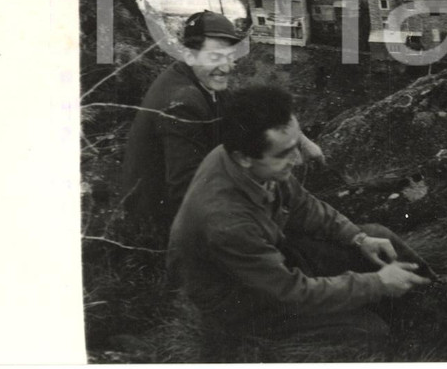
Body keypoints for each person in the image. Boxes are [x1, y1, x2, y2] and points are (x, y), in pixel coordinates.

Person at [167, 84, 432, 359]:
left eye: (297, 145)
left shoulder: (246, 155)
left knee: (377, 236)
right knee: (370, 332)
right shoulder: (226, 222)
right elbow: (291, 292)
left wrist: (358, 238)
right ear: (244, 158)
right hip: (241, 301)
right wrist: (375, 284)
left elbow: (302, 206)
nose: (297, 159)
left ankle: (438, 296)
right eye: (284, 153)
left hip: (269, 260)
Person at [121, 11, 323, 242]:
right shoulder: (182, 102)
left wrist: (301, 141)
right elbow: (184, 188)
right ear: (189, 55)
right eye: (216, 57)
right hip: (159, 225)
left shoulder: (200, 77)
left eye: (229, 57)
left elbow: (242, 109)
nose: (226, 67)